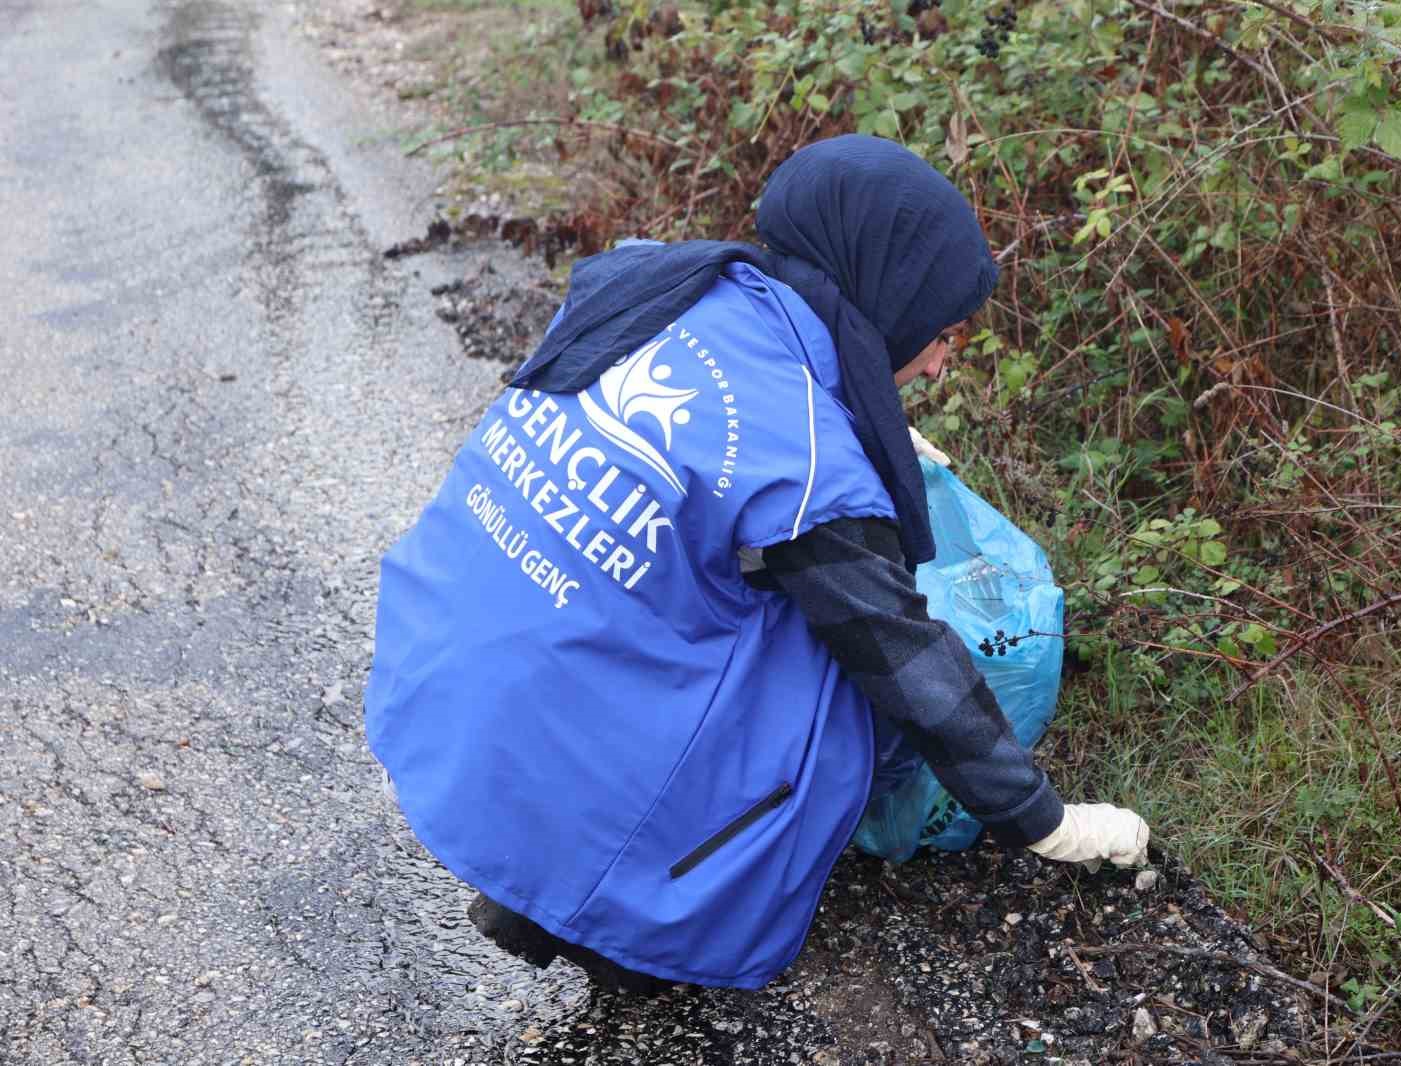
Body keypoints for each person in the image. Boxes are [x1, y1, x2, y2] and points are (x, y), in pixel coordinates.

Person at [364, 134, 1150, 994]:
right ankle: (624, 917)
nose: (940, 360)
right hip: (541, 750)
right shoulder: (803, 454)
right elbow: (904, 655)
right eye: (943, 333)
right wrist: (1042, 818)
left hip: (438, 679)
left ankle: (541, 861)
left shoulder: (663, 285)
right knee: (837, 683)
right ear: (892, 296)